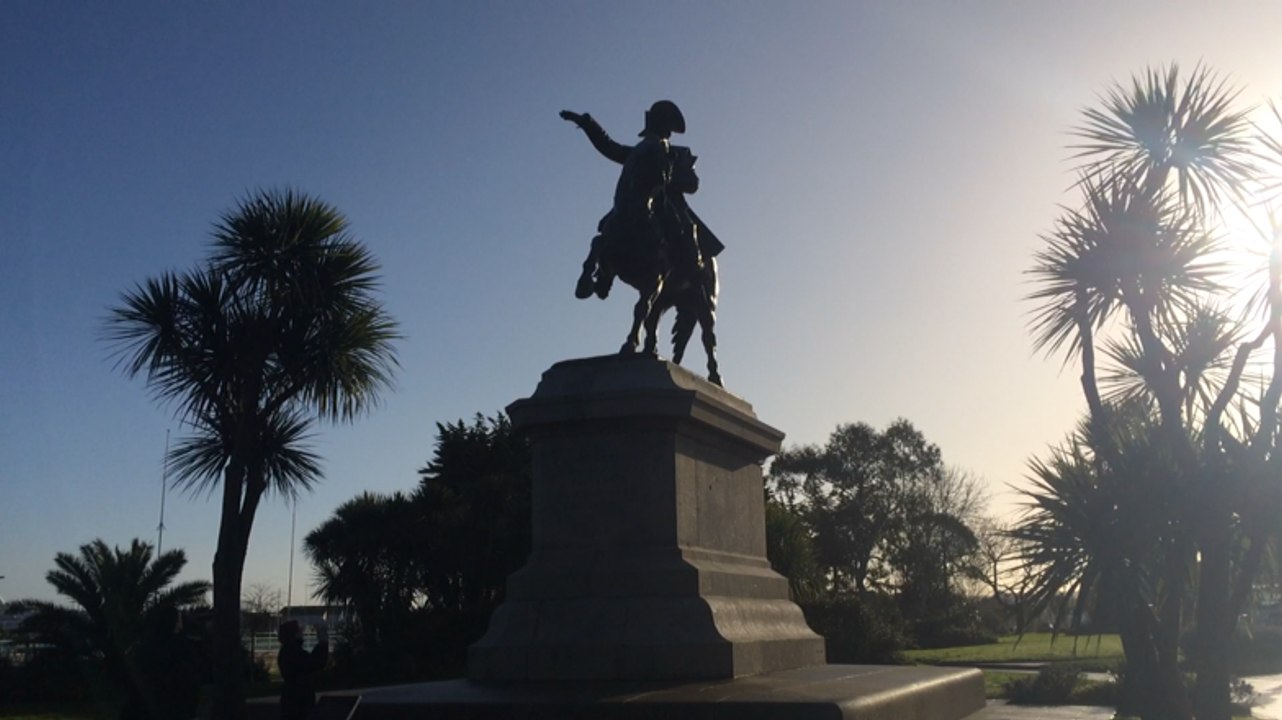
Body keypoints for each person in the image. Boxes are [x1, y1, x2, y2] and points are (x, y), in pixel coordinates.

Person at [561, 100, 722, 300]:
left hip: (664, 204)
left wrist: (669, 177)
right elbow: (609, 147)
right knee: (609, 225)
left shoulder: (679, 154)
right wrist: (586, 123)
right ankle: (602, 277)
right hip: (636, 201)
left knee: (684, 231)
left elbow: (692, 184)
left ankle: (694, 271)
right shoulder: (639, 151)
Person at [277, 619, 328, 720]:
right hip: (299, 700)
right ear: (294, 634)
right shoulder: (294, 652)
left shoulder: (287, 651)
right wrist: (323, 642)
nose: (302, 631)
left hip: (291, 699)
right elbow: (315, 662)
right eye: (299, 629)